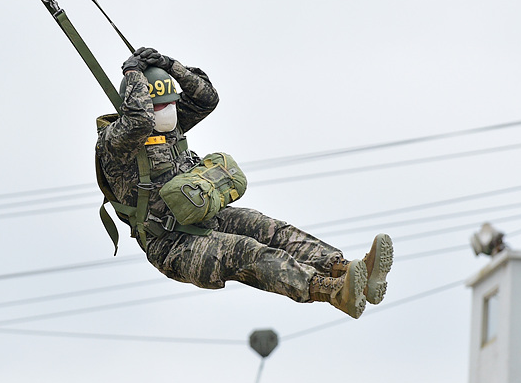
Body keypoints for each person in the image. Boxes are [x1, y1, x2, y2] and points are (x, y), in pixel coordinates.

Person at [95, 47, 393, 319]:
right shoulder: (116, 143)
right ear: (138, 104)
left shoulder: (169, 127)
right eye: (160, 106)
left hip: (205, 218)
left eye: (171, 103)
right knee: (247, 251)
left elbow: (206, 98)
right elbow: (140, 121)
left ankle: (349, 271)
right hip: (171, 245)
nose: (170, 112)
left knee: (269, 228)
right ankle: (334, 291)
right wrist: (133, 74)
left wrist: (171, 66)